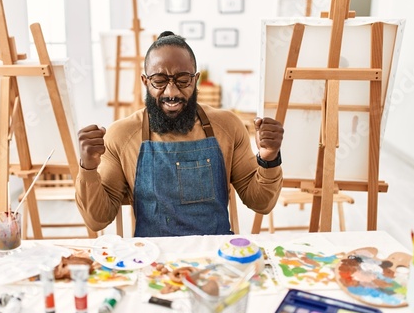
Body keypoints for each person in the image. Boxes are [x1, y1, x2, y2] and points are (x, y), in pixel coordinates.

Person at [76, 31, 284, 237]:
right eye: (159, 80)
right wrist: (88, 168)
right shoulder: (121, 135)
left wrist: (269, 159)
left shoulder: (228, 126)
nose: (171, 92)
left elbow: (261, 203)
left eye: (183, 80)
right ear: (145, 81)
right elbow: (97, 220)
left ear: (195, 80)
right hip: (152, 259)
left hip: (216, 255)